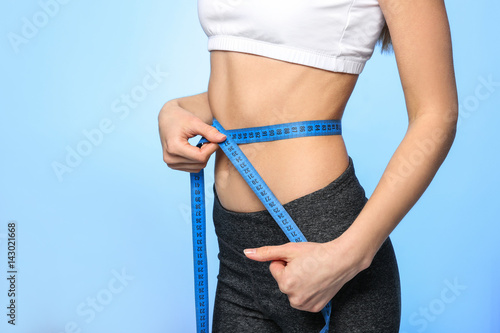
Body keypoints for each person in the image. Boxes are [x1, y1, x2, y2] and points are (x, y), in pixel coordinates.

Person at [158, 0, 458, 331]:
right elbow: (255, 86)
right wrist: (178, 108)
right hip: (234, 249)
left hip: (326, 243)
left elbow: (436, 116)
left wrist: (349, 255)